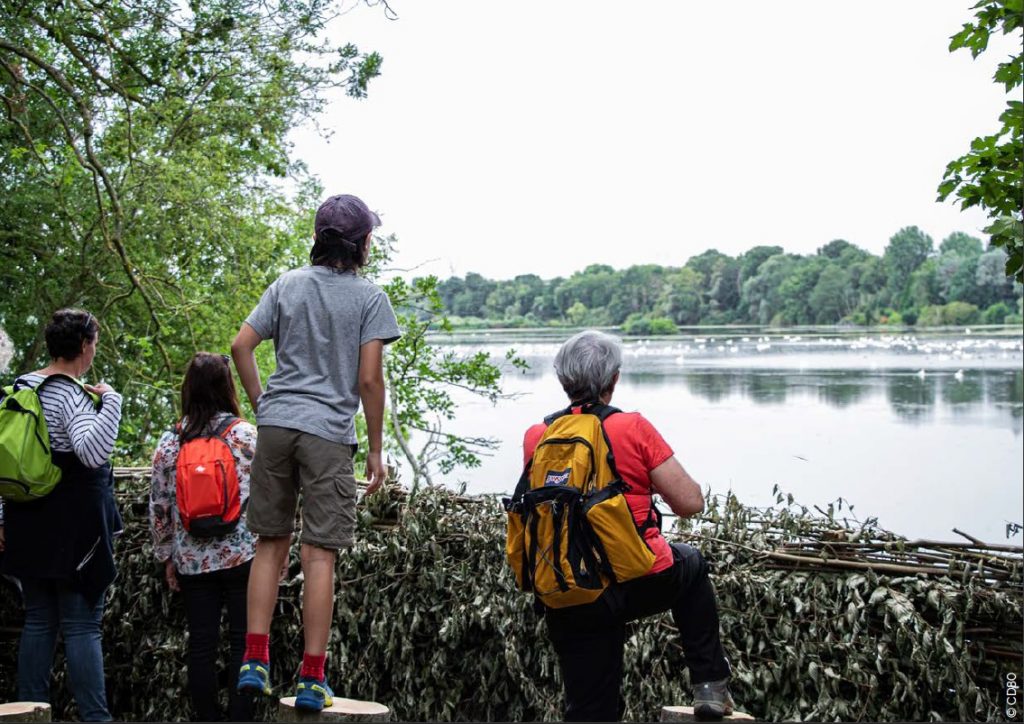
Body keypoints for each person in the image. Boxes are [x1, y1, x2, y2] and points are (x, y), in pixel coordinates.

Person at [231, 193, 401, 711]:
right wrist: (375, 449)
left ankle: (254, 661)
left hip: (277, 427)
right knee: (319, 554)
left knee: (270, 543)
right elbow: (369, 380)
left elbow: (240, 346)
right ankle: (311, 678)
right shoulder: (370, 298)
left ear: (317, 237)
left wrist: (263, 404)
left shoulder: (287, 284)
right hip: (327, 433)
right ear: (364, 243)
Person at [522, 330, 735, 722]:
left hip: (567, 587)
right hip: (636, 580)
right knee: (691, 564)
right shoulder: (632, 427)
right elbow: (690, 503)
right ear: (614, 379)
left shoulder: (538, 436)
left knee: (590, 711)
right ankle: (709, 684)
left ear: (563, 380)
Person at [0, 309, 123, 721]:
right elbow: (92, 452)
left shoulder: (22, 386)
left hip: (27, 520)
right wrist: (112, 401)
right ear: (84, 346)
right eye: (95, 344)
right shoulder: (68, 393)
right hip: (73, 528)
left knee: (38, 621)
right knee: (82, 625)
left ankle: (27, 713)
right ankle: (96, 718)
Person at [148, 352, 258, 721]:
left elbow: (159, 507)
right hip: (243, 556)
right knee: (244, 642)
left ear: (188, 389)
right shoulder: (245, 436)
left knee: (201, 645)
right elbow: (270, 495)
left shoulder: (171, 441)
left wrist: (166, 556)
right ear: (228, 387)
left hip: (192, 560)